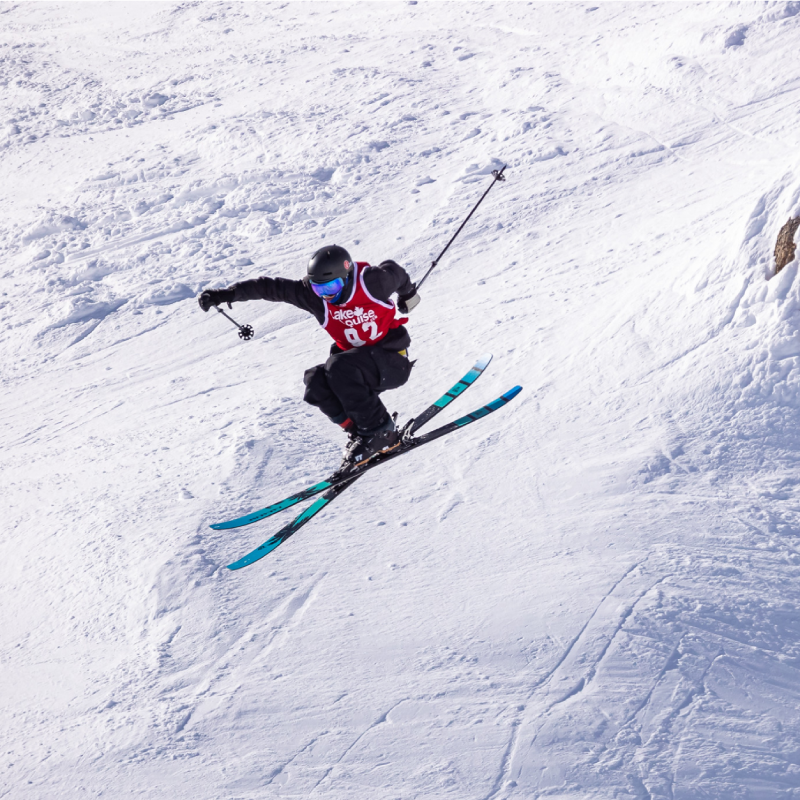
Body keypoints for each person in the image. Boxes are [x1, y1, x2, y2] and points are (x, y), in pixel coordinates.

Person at [198, 245, 421, 471]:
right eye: (318, 288)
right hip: (357, 371)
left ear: (346, 277)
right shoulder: (315, 298)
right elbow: (271, 287)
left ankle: (381, 430)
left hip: (392, 361)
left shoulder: (372, 282)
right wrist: (228, 294)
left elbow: (397, 272)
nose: (327, 294)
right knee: (315, 381)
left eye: (332, 286)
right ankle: (363, 434)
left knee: (338, 364)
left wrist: (408, 295)